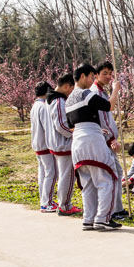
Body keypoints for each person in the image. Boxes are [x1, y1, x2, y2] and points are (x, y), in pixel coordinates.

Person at [65, 63, 122, 231]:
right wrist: (115, 90)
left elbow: (72, 124)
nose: (92, 80)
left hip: (77, 142)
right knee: (107, 177)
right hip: (92, 141)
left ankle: (88, 219)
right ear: (82, 76)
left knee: (88, 183)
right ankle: (103, 217)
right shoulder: (86, 94)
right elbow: (108, 106)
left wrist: (95, 127)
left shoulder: (68, 100)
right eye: (91, 76)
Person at [91, 61, 128, 220]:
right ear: (96, 74)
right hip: (103, 141)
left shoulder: (101, 92)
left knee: (117, 172)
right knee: (111, 174)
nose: (108, 76)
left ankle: (117, 208)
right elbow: (105, 114)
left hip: (107, 139)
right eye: (104, 73)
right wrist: (110, 138)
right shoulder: (96, 93)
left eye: (110, 73)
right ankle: (111, 210)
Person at [46, 73, 81, 216]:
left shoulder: (51, 100)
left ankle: (64, 203)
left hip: (57, 144)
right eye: (72, 89)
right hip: (63, 144)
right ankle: (65, 205)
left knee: (64, 175)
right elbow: (61, 125)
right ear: (67, 86)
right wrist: (76, 133)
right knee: (68, 176)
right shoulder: (59, 101)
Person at [31, 81, 57, 213]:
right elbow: (48, 127)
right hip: (46, 145)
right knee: (51, 173)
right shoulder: (44, 107)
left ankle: (44, 200)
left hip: (37, 144)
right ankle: (47, 202)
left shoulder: (35, 106)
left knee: (43, 173)